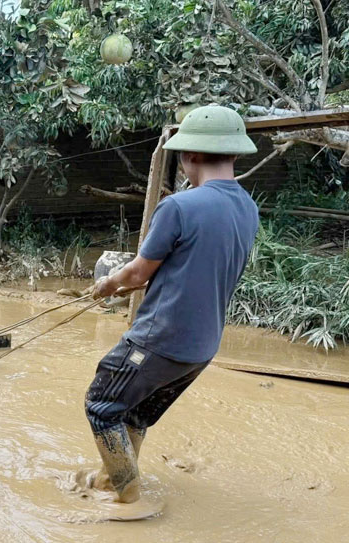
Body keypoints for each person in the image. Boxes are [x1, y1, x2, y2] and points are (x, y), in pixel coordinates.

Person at [83, 105, 260, 504]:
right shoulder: (248, 208)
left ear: (190, 155)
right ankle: (114, 480)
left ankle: (127, 495)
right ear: (234, 153)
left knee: (101, 405)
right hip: (200, 349)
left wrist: (108, 284)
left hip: (159, 340)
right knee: (133, 413)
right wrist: (140, 283)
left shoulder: (179, 206)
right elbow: (196, 266)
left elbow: (136, 273)